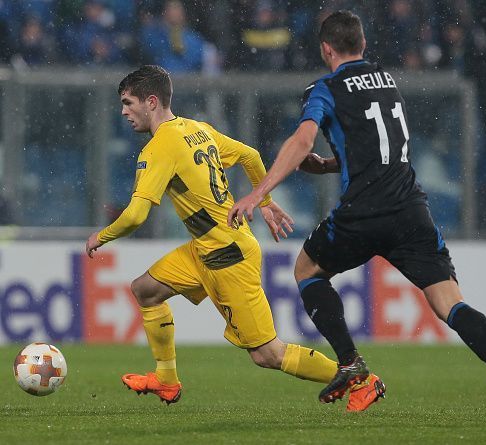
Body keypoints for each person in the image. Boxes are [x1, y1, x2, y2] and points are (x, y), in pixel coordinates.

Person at [229, 10, 486, 424]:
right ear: (363, 45)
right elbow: (375, 149)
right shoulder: (387, 82)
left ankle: (351, 363)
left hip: (364, 211)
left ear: (325, 49)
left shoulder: (325, 88)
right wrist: (322, 165)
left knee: (307, 270)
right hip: (410, 209)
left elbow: (302, 138)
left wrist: (258, 192)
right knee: (450, 304)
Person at [85, 65, 343, 407]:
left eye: (128, 103)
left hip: (227, 255)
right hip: (206, 248)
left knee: (267, 354)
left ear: (150, 101)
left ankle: (357, 376)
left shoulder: (159, 147)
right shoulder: (197, 129)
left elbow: (135, 216)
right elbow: (250, 155)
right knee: (145, 290)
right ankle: (166, 380)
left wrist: (101, 236)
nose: (123, 111)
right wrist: (263, 201)